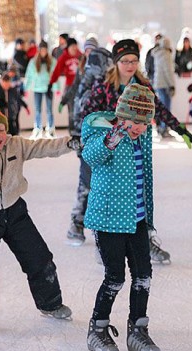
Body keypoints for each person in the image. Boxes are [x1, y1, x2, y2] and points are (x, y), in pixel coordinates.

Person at [0, 104, 80, 330]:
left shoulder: (15, 144)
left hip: (16, 212)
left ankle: (51, 303)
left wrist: (68, 143)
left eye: (1, 130)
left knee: (39, 258)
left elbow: (42, 146)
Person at [79, 39, 192, 263]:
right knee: (97, 190)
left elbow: (159, 109)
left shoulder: (143, 86)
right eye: (125, 60)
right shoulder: (105, 86)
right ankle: (98, 237)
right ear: (116, 63)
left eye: (134, 60)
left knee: (139, 193)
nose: (130, 65)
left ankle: (145, 240)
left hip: (136, 150)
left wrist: (180, 129)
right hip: (108, 150)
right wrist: (90, 138)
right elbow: (88, 116)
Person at [82, 83, 161, 351]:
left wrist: (148, 215)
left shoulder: (143, 135)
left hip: (137, 218)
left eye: (145, 121)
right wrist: (113, 137)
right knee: (115, 277)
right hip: (108, 219)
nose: (139, 127)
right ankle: (98, 328)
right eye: (134, 121)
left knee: (143, 276)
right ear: (122, 114)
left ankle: (138, 329)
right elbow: (90, 157)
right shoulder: (102, 129)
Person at [63, 37, 112, 245]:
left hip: (105, 140)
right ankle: (77, 223)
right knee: (88, 182)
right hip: (89, 141)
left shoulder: (102, 82)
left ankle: (102, 227)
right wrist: (78, 137)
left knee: (101, 183)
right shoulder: (90, 81)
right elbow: (79, 109)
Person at [48, 38, 82, 135]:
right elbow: (57, 71)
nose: (74, 49)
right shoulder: (64, 57)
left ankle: (80, 131)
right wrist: (51, 83)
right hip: (70, 86)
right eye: (72, 47)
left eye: (76, 46)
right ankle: (72, 133)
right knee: (71, 112)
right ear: (68, 47)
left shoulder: (81, 56)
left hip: (81, 86)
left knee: (80, 110)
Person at [24, 40, 56, 139]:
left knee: (49, 110)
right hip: (37, 88)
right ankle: (37, 128)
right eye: (41, 50)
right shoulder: (33, 62)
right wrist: (26, 88)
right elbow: (29, 75)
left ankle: (50, 129)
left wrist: (56, 87)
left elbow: (55, 74)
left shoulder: (52, 61)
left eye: (45, 50)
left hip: (48, 88)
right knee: (38, 110)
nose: (43, 52)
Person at [152, 36, 176, 138]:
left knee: (162, 107)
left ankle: (162, 127)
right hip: (165, 84)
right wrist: (171, 85)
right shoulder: (166, 54)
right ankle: (164, 128)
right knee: (166, 108)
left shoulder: (158, 53)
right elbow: (168, 71)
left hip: (158, 83)